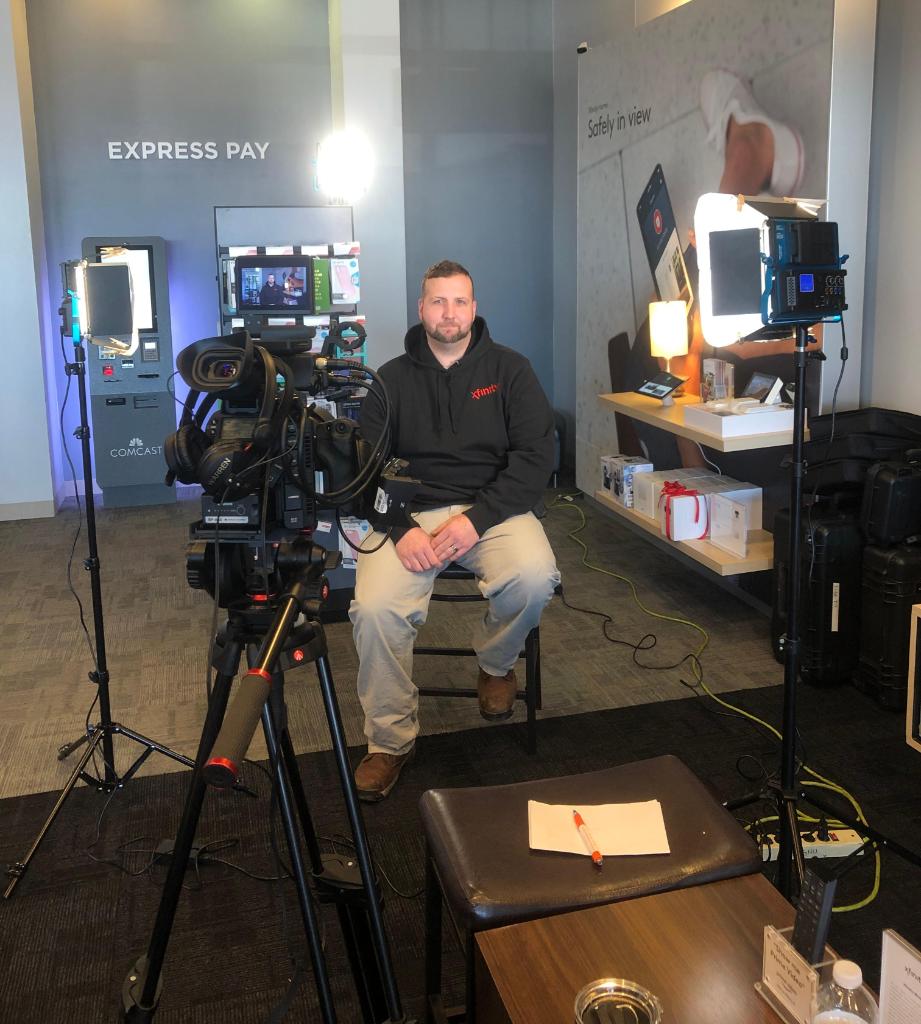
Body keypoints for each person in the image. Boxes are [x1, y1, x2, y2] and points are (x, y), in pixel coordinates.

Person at [348, 260, 560, 801]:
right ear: (421, 310)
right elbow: (364, 472)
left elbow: (536, 459)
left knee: (535, 577)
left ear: (474, 308)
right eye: (438, 302)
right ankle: (389, 741)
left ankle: (495, 664)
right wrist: (400, 529)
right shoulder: (389, 381)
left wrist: (477, 519)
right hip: (409, 515)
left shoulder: (511, 371)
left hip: (491, 511)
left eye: (459, 301)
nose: (449, 312)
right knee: (374, 608)